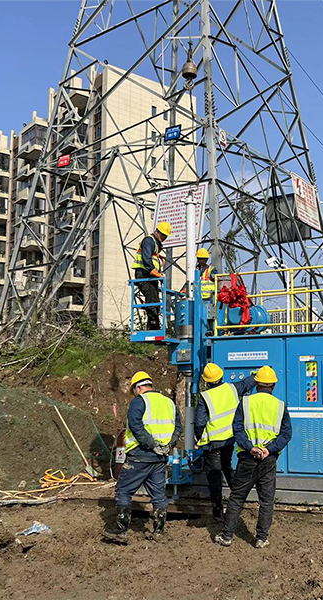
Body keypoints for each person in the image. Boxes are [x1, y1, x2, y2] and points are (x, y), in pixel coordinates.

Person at [214, 366, 292, 549]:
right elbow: (286, 434)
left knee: (237, 498)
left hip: (248, 459)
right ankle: (261, 538)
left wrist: (251, 448)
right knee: (266, 500)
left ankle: (227, 536)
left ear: (256, 384)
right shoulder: (280, 406)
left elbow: (237, 430)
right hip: (268, 460)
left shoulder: (246, 403)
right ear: (272, 385)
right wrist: (269, 449)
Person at [104, 371, 181, 543]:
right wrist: (167, 446)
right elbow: (178, 428)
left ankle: (121, 530)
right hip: (160, 457)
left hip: (140, 456)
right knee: (158, 495)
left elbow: (137, 427)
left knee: (123, 491)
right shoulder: (169, 403)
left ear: (138, 387)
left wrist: (151, 445)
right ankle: (159, 531)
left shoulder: (139, 402)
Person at [195, 363, 256, 522]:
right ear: (221, 376)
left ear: (207, 381)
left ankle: (218, 512)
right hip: (230, 440)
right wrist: (258, 373)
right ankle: (237, 502)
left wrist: (199, 438)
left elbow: (200, 422)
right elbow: (249, 382)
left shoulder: (205, 397)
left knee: (214, 476)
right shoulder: (232, 388)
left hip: (214, 443)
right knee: (227, 467)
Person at [132, 221, 172, 330]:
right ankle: (153, 325)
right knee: (151, 299)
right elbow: (146, 259)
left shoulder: (155, 243)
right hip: (144, 274)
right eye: (164, 235)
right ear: (158, 232)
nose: (164, 238)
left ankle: (153, 325)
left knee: (155, 300)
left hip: (150, 275)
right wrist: (155, 272)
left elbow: (151, 257)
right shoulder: (149, 240)